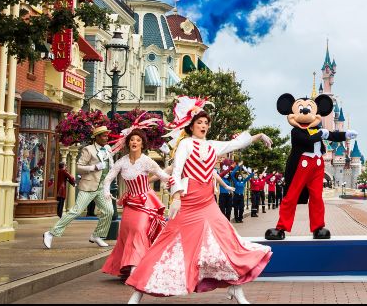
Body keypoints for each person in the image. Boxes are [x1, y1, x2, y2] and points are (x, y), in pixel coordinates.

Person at [125, 97, 273, 304]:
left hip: (208, 202)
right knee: (165, 246)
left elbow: (236, 143)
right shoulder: (185, 144)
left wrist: (259, 135)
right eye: (199, 123)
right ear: (191, 126)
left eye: (206, 123)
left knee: (227, 243)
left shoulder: (213, 145)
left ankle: (236, 289)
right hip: (187, 202)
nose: (203, 126)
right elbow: (176, 172)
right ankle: (137, 291)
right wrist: (176, 197)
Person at [101, 128, 172, 278]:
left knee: (139, 230)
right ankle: (127, 265)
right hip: (130, 203)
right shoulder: (122, 162)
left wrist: (173, 182)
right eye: (132, 139)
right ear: (128, 142)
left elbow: (161, 174)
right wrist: (106, 191)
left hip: (145, 202)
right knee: (126, 232)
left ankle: (136, 265)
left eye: (138, 140)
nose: (135, 142)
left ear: (142, 144)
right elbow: (108, 178)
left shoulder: (147, 161)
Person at [43, 126, 115, 249]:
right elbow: (78, 167)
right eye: (103, 135)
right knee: (76, 211)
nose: (106, 137)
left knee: (109, 211)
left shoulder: (108, 149)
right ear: (96, 137)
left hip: (102, 187)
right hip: (88, 186)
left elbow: (111, 164)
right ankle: (50, 233)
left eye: (107, 135)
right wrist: (94, 167)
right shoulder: (88, 149)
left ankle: (97, 236)